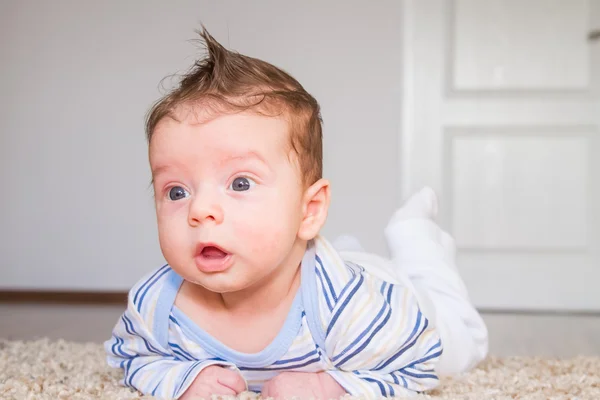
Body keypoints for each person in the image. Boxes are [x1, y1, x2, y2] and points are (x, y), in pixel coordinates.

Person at [104, 27, 488, 400]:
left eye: (240, 183)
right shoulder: (157, 304)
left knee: (461, 346)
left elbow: (419, 363)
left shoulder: (348, 308)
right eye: (177, 191)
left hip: (378, 294)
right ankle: (347, 250)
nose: (199, 210)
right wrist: (181, 378)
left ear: (309, 210)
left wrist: (329, 386)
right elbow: (130, 357)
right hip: (310, 258)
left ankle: (415, 239)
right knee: (331, 260)